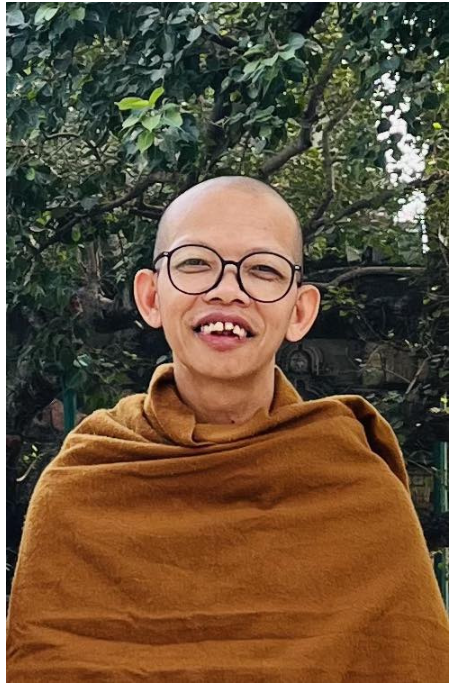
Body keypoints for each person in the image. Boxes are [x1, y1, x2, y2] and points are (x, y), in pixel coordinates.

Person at [6, 176, 449, 683]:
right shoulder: (86, 480)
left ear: (300, 311)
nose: (227, 290)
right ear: (150, 297)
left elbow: (407, 659)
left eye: (263, 269)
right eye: (196, 262)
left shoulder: (356, 488)